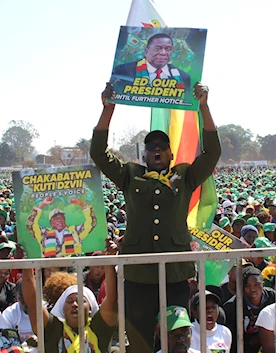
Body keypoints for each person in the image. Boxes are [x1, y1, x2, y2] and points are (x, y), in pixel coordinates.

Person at [91, 81, 220, 353]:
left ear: (171, 153)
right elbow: (99, 154)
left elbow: (212, 154)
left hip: (174, 274)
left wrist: (204, 108)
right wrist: (108, 110)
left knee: (176, 341)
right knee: (140, 342)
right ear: (145, 154)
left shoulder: (184, 176)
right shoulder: (130, 175)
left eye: (163, 146)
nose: (157, 150)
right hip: (138, 275)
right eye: (152, 147)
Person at [19, 241, 118, 353]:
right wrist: (26, 264)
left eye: (81, 301)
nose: (75, 305)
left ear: (90, 309)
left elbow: (111, 299)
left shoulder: (99, 328)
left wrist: (110, 261)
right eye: (69, 301)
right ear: (62, 310)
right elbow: (33, 304)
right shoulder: (53, 329)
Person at [112, 33, 191, 97]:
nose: (163, 53)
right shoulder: (123, 71)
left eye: (168, 49)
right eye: (157, 49)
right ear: (146, 51)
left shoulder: (183, 78)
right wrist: (110, 96)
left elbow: (186, 104)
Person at [223, 266, 276, 353]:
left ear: (263, 284)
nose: (253, 289)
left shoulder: (273, 297)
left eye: (257, 285)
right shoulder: (232, 307)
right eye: (248, 286)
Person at [26, 196, 96, 257]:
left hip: (73, 267)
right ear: (51, 223)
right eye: (56, 218)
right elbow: (30, 224)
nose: (59, 220)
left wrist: (82, 204)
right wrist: (42, 205)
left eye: (61, 218)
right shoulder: (44, 233)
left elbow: (91, 223)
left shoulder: (75, 231)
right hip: (51, 267)